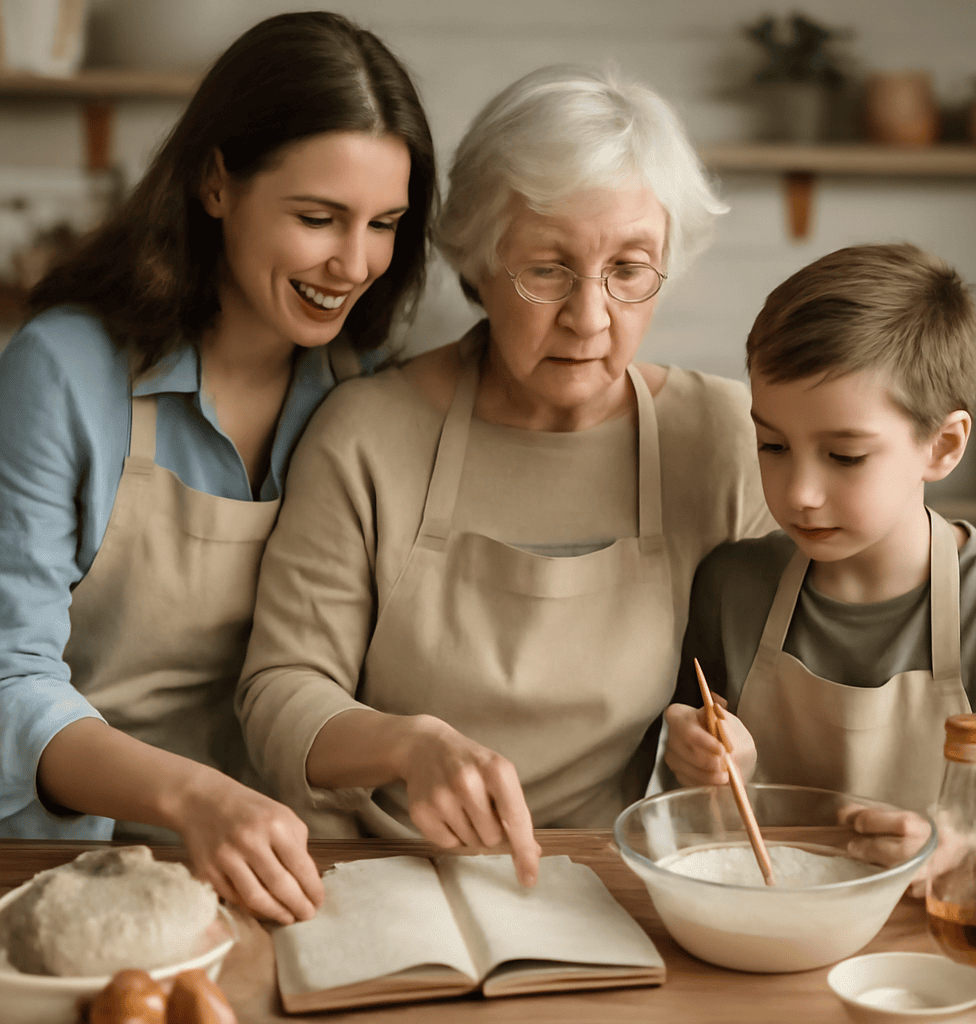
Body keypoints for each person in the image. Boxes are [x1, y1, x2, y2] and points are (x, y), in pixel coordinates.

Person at [236, 64, 774, 888]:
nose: (590, 318)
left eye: (630, 270)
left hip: (614, 877)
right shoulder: (367, 435)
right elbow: (279, 691)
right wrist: (409, 746)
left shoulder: (725, 438)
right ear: (480, 261)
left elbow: (778, 687)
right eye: (548, 270)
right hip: (379, 869)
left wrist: (727, 743)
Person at [0, 11, 436, 924]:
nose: (353, 263)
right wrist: (195, 798)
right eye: (317, 217)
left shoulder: (361, 389)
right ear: (214, 183)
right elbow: (10, 680)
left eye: (384, 224)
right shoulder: (63, 369)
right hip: (71, 858)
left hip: (292, 860)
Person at [665, 243, 976, 870]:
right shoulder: (730, 588)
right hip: (762, 938)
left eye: (845, 456)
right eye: (773, 444)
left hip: (932, 954)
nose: (799, 493)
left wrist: (972, 853)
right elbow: (688, 819)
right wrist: (707, 766)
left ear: (942, 446)